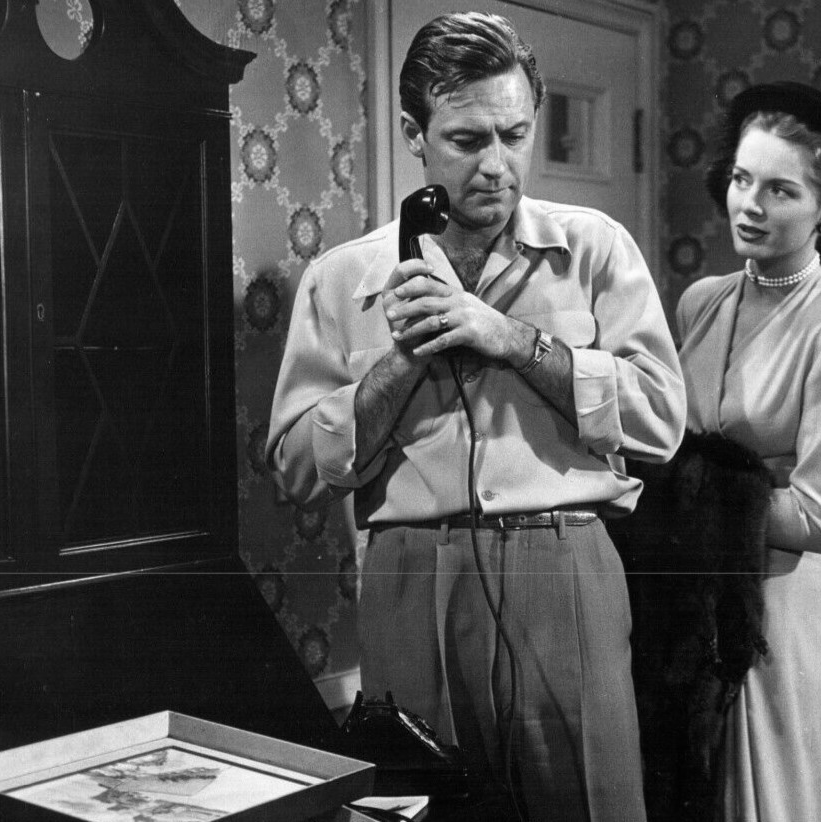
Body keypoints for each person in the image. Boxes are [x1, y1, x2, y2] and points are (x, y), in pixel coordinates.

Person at [265, 12, 684, 822]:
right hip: (410, 577)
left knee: (589, 804)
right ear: (413, 135)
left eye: (514, 135)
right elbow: (295, 470)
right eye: (466, 140)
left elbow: (662, 422)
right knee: (426, 811)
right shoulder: (342, 279)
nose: (496, 166)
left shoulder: (595, 249)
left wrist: (514, 341)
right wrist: (402, 360)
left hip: (563, 566)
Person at [619, 81, 821, 821]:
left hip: (770, 609)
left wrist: (683, 494)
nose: (750, 205)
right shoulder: (700, 301)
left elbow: (818, 519)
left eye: (779, 190)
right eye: (741, 179)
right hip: (683, 601)